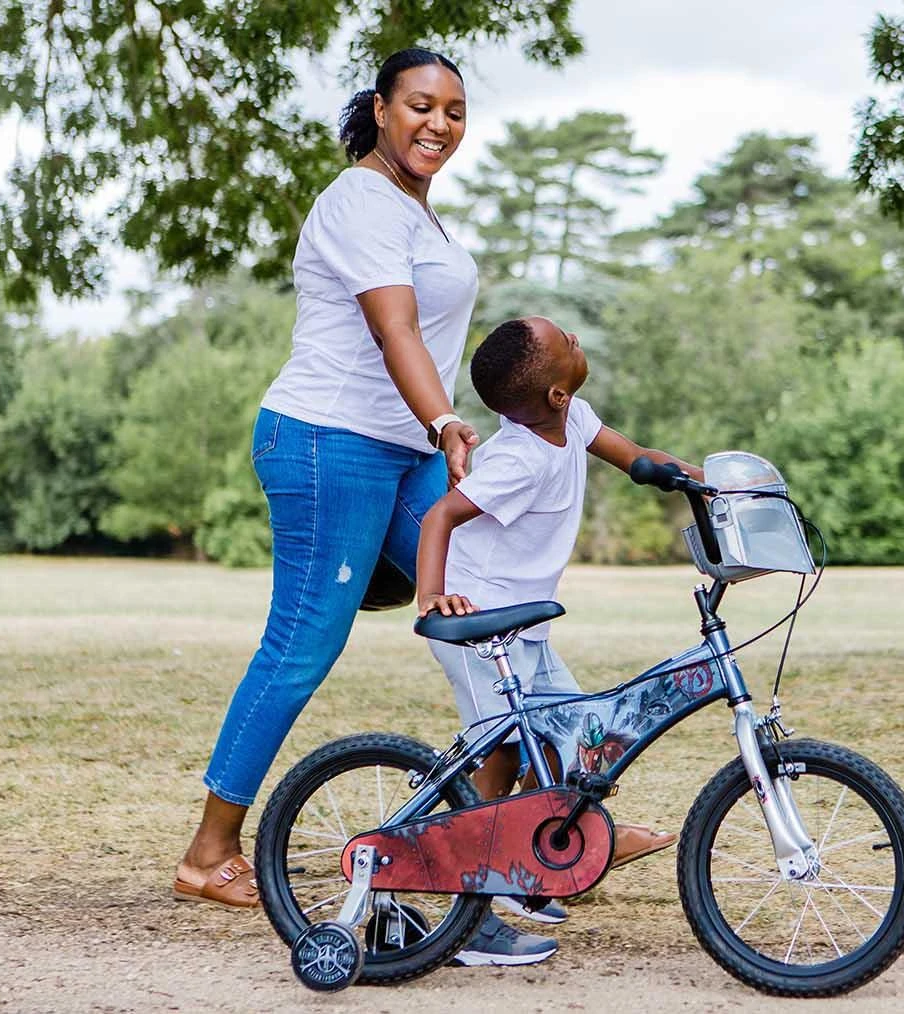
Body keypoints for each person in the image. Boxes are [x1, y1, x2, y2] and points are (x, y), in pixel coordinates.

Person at [172, 48, 481, 912]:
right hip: (328, 441)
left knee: (489, 597)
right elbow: (396, 331)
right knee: (305, 643)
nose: (439, 124)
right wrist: (448, 421)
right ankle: (208, 851)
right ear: (381, 110)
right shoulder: (359, 201)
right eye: (421, 105)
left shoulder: (421, 214)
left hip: (403, 446)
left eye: (454, 111)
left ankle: (539, 818)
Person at [415, 315, 699, 966]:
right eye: (564, 340)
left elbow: (640, 462)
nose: (575, 335)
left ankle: (528, 861)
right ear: (555, 395)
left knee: (575, 739)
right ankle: (472, 913)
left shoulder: (575, 419)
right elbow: (440, 515)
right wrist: (432, 597)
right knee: (500, 752)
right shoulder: (516, 459)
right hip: (479, 625)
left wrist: (707, 480)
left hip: (526, 625)